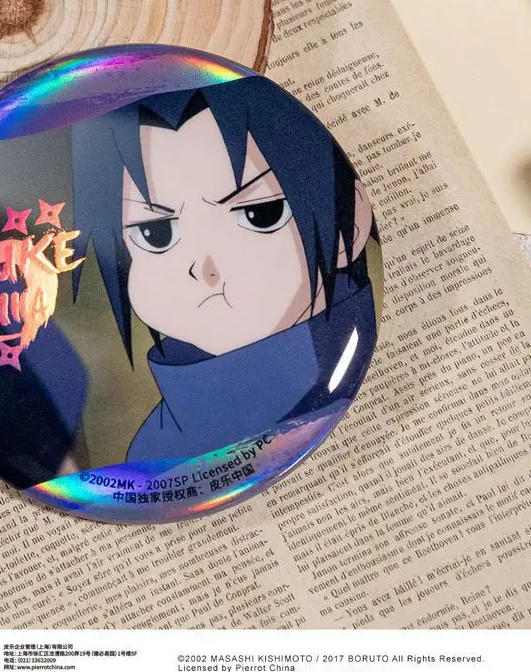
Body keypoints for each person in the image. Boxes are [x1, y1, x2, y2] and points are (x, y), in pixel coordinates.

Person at [69, 75, 378, 462]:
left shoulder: (335, 383)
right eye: (155, 233)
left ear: (349, 223)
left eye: (261, 214)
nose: (205, 269)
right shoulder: (157, 445)